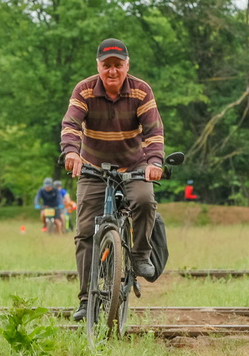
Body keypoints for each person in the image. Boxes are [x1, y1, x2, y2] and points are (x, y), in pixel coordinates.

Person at [60, 38, 165, 321]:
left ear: (127, 66)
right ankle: (86, 300)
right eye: (107, 65)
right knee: (85, 231)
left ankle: (140, 255)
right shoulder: (84, 90)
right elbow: (71, 124)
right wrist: (71, 153)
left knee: (144, 200)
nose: (113, 71)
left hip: (134, 166)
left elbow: (154, 131)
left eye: (118, 65)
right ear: (98, 66)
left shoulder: (141, 90)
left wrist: (155, 162)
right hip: (93, 168)